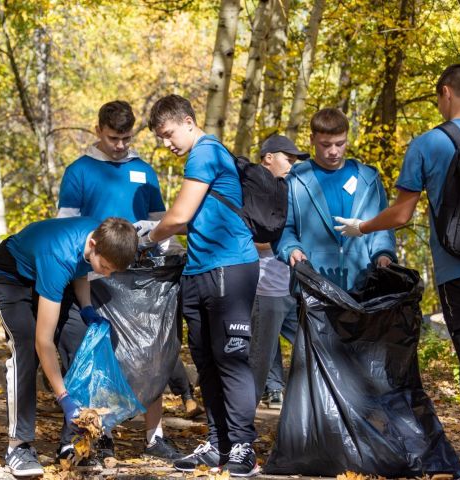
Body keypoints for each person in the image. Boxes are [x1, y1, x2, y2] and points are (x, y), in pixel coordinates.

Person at [55, 100, 191, 463]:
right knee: (104, 357)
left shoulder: (143, 170)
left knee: (155, 353)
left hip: (144, 280)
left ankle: (154, 436)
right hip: (98, 277)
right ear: (98, 129)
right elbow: (65, 221)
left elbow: (160, 219)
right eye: (114, 137)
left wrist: (171, 250)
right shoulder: (79, 171)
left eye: (126, 138)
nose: (120, 145)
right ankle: (102, 434)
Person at [334, 63, 460, 422]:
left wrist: (362, 227)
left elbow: (400, 215)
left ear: (446, 92)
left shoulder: (428, 143)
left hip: (457, 271)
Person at [142, 94, 260, 476]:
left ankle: (243, 446)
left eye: (169, 133)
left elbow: (179, 216)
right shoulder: (197, 156)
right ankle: (218, 443)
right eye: (161, 137)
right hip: (198, 270)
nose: (167, 143)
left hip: (230, 268)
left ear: (189, 121)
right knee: (206, 363)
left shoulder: (206, 151)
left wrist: (145, 240)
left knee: (230, 359)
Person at [0, 216, 137, 477]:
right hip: (10, 278)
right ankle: (18, 446)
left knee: (83, 341)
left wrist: (87, 308)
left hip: (49, 276)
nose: (106, 273)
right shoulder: (59, 254)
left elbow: (81, 269)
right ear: (93, 244)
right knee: (26, 350)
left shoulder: (99, 238)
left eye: (112, 271)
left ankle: (73, 441)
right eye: (106, 266)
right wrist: (63, 398)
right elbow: (43, 342)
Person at [275, 107, 396, 290]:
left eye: (340, 144)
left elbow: (381, 226)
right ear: (312, 140)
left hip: (364, 284)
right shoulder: (295, 180)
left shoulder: (368, 179)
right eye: (326, 144)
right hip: (312, 286)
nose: (333, 151)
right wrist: (292, 249)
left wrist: (384, 253)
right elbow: (284, 227)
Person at [248, 135, 306, 409]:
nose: (292, 166)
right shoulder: (252, 189)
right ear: (268, 157)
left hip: (292, 286)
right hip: (264, 286)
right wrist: (280, 241)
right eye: (288, 159)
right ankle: (244, 415)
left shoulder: (289, 189)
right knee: (261, 352)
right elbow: (249, 237)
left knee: (310, 340)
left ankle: (292, 393)